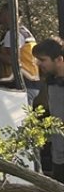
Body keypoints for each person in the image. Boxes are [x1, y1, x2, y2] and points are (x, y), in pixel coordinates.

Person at [31, 36, 64, 181]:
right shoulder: (50, 82)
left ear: (59, 59)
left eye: (43, 60)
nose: (39, 64)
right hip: (58, 156)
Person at [0, 6, 40, 101]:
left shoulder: (13, 34)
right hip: (31, 83)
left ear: (8, 15)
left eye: (1, 13)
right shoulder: (24, 32)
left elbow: (11, 60)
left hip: (21, 85)